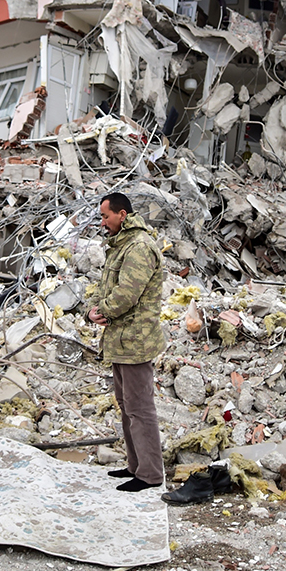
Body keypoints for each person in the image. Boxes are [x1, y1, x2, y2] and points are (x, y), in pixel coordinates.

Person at [87, 192, 166, 492]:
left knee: (140, 407)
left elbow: (126, 294)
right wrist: (92, 311)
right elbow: (105, 287)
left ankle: (150, 475)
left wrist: (103, 310)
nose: (103, 222)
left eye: (106, 216)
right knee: (126, 405)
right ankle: (136, 466)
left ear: (122, 215)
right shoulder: (121, 245)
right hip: (120, 340)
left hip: (136, 341)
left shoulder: (139, 247)